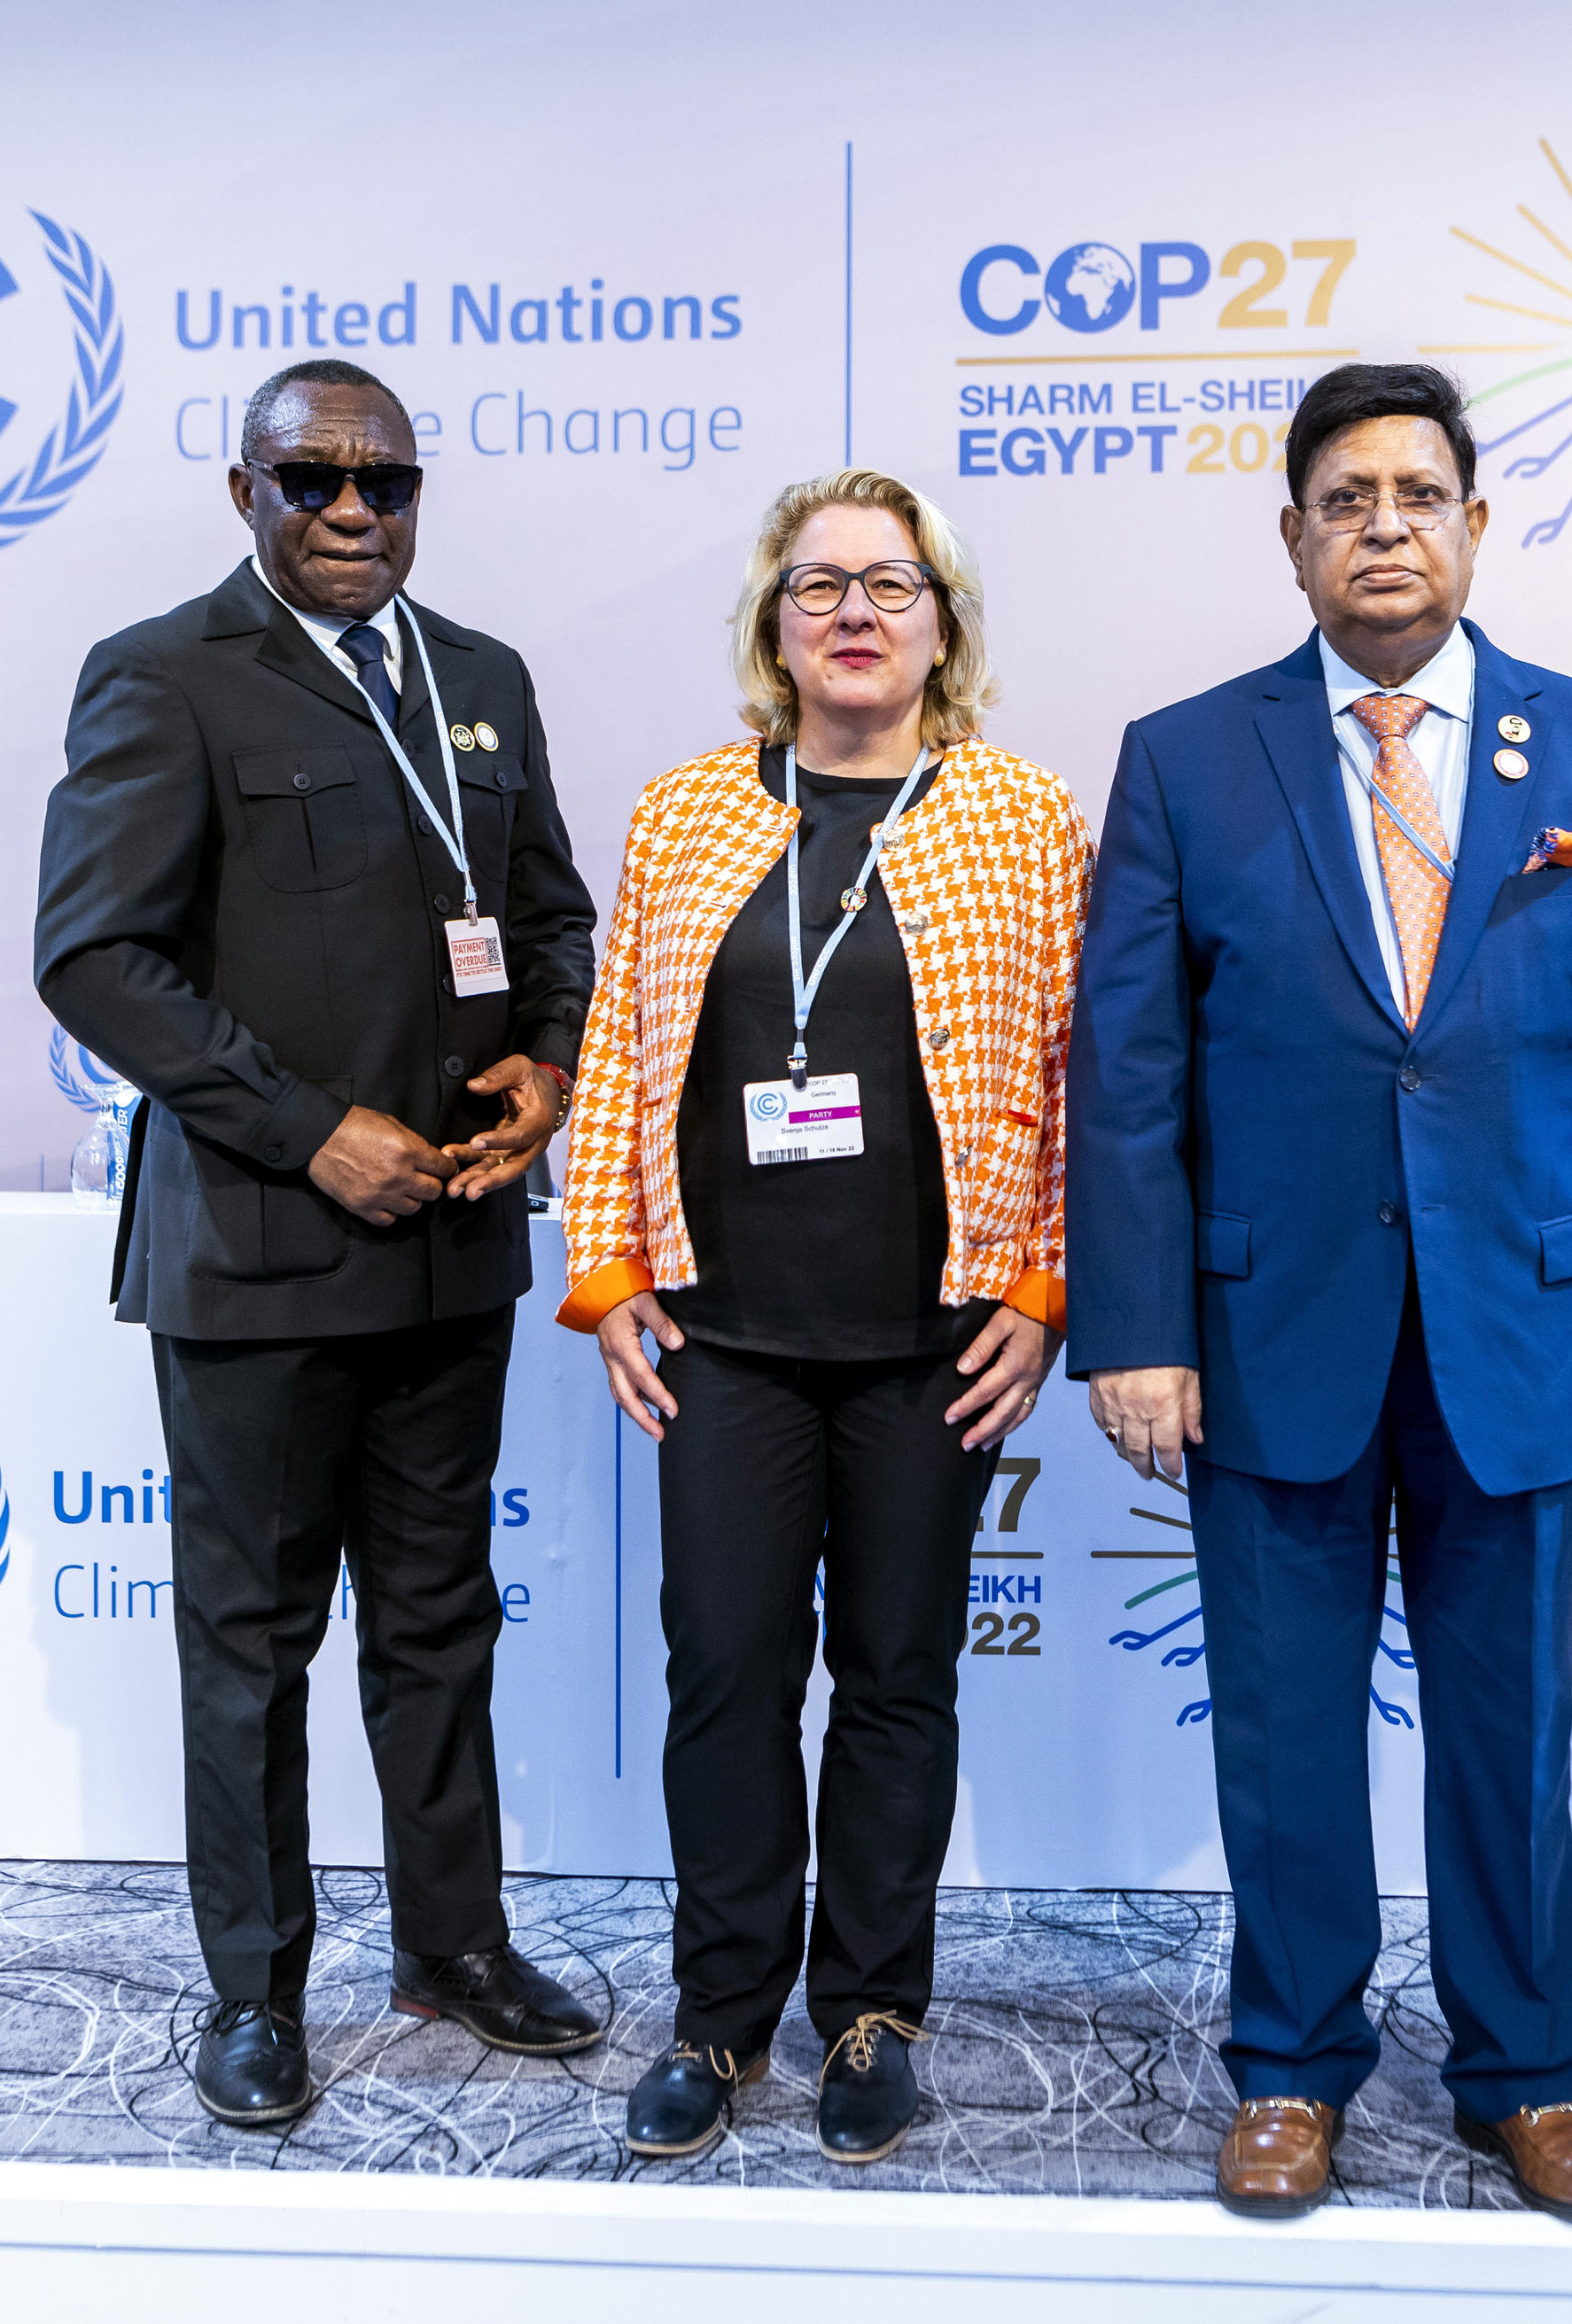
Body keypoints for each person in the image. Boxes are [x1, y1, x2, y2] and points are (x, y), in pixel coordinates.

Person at [1069, 363, 1572, 2225]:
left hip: (1521, 1325)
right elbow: (1127, 1069)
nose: (1382, 523)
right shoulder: (1189, 754)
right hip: (1267, 1321)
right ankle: (1290, 2065)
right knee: (1283, 1725)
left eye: (1417, 491)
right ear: (1290, 535)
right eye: (1343, 495)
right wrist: (1131, 1321)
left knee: (1509, 1727)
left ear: (1474, 520)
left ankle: (1524, 2071)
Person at [34, 357, 607, 2127]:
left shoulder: (482, 679)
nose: (353, 512)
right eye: (313, 483)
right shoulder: (163, 673)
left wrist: (552, 1066)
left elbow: (554, 918)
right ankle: (256, 1986)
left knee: (437, 1618)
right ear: (245, 496)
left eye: (386, 482)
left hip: (450, 1246)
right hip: (258, 1248)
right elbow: (94, 956)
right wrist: (303, 1126)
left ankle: (454, 1939)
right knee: (249, 1635)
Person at [559, 470, 1086, 2166]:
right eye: (816, 586)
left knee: (897, 1678)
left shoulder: (1024, 819)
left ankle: (872, 2009)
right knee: (722, 1674)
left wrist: (1044, 1284)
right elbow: (618, 1060)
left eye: (890, 583)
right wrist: (610, 1267)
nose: (853, 610)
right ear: (771, 626)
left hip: (932, 1337)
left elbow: (1087, 1082)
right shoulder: (686, 812)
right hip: (725, 1336)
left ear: (947, 624)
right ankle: (718, 2020)